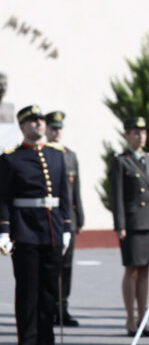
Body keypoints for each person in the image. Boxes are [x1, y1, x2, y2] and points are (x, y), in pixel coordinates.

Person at [0, 105, 72, 345]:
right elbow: (4, 198)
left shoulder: (56, 155)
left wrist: (66, 227)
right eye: (32, 121)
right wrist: (4, 231)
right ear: (22, 127)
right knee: (28, 291)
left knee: (49, 291)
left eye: (40, 120)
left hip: (52, 229)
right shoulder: (11, 158)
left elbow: (64, 194)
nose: (39, 124)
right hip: (25, 230)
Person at [110, 117, 149, 336]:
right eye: (134, 132)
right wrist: (120, 225)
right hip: (131, 224)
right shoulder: (121, 161)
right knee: (131, 271)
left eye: (142, 132)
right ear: (127, 136)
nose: (140, 136)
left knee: (145, 271)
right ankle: (130, 320)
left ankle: (143, 319)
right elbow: (118, 196)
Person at [45, 110, 83, 326]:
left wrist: (80, 217)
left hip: (70, 219)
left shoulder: (70, 155)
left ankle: (63, 307)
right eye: (53, 128)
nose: (57, 132)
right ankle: (49, 308)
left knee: (66, 267)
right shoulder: (42, 153)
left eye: (59, 128)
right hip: (52, 218)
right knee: (52, 266)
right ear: (47, 130)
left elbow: (74, 190)